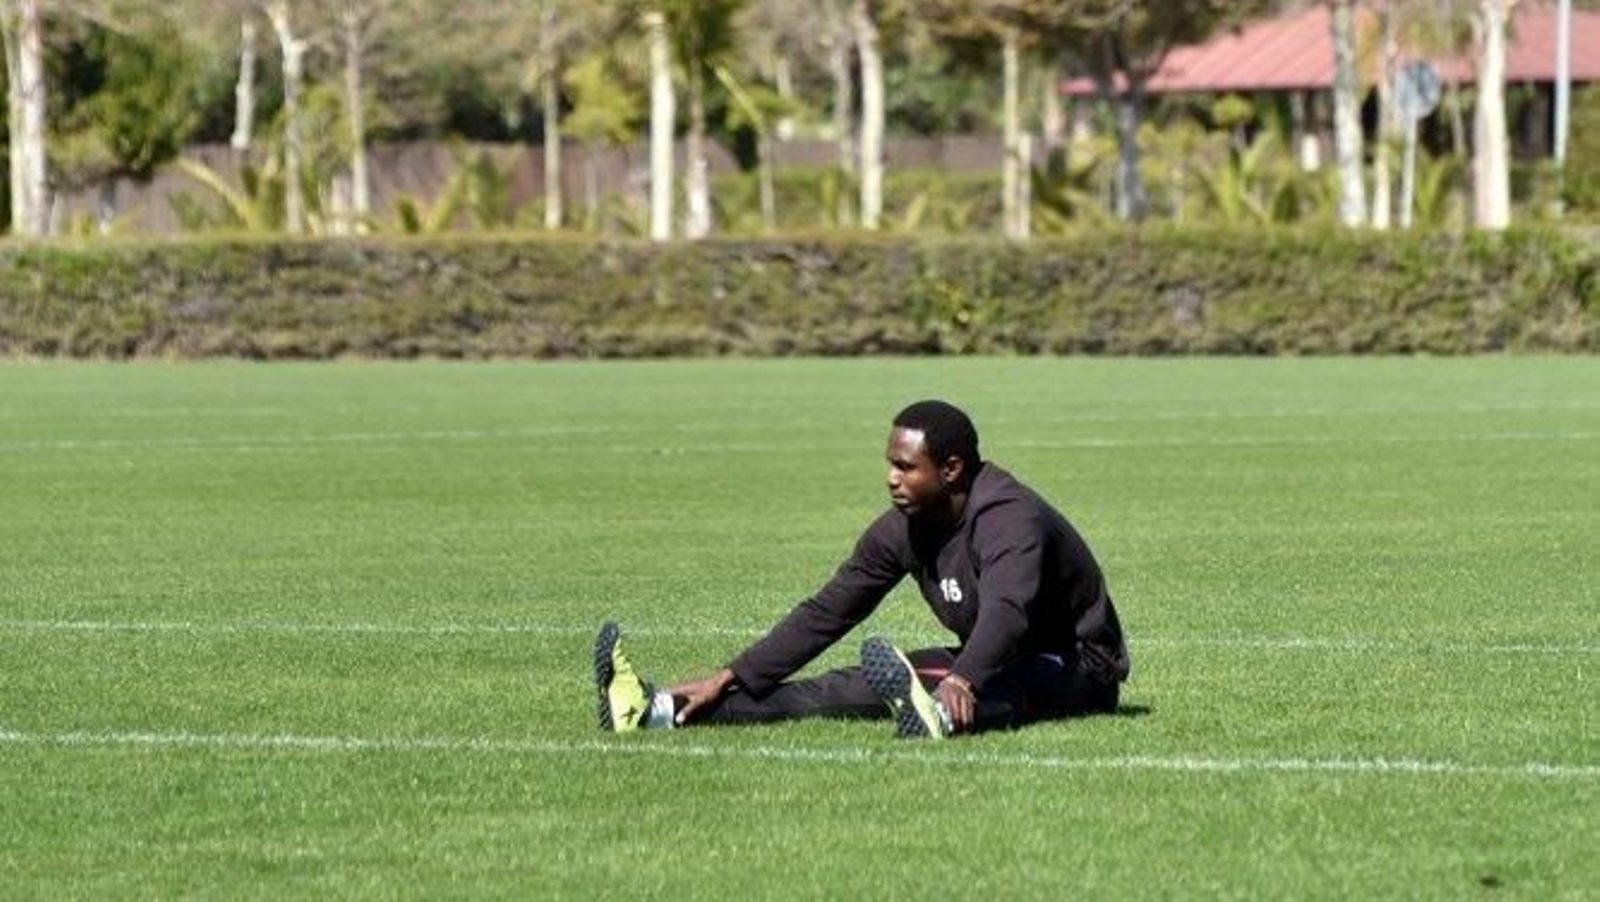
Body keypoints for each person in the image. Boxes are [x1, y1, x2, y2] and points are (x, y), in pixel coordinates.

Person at [593, 400, 1129, 740]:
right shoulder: (903, 525)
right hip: (993, 656)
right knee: (841, 688)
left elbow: (1007, 612)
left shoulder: (1009, 518)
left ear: (950, 469)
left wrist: (964, 678)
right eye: (889, 463)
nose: (891, 478)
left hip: (1078, 663)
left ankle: (941, 716)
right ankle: (656, 710)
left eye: (905, 466)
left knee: (985, 683)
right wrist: (731, 675)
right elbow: (829, 610)